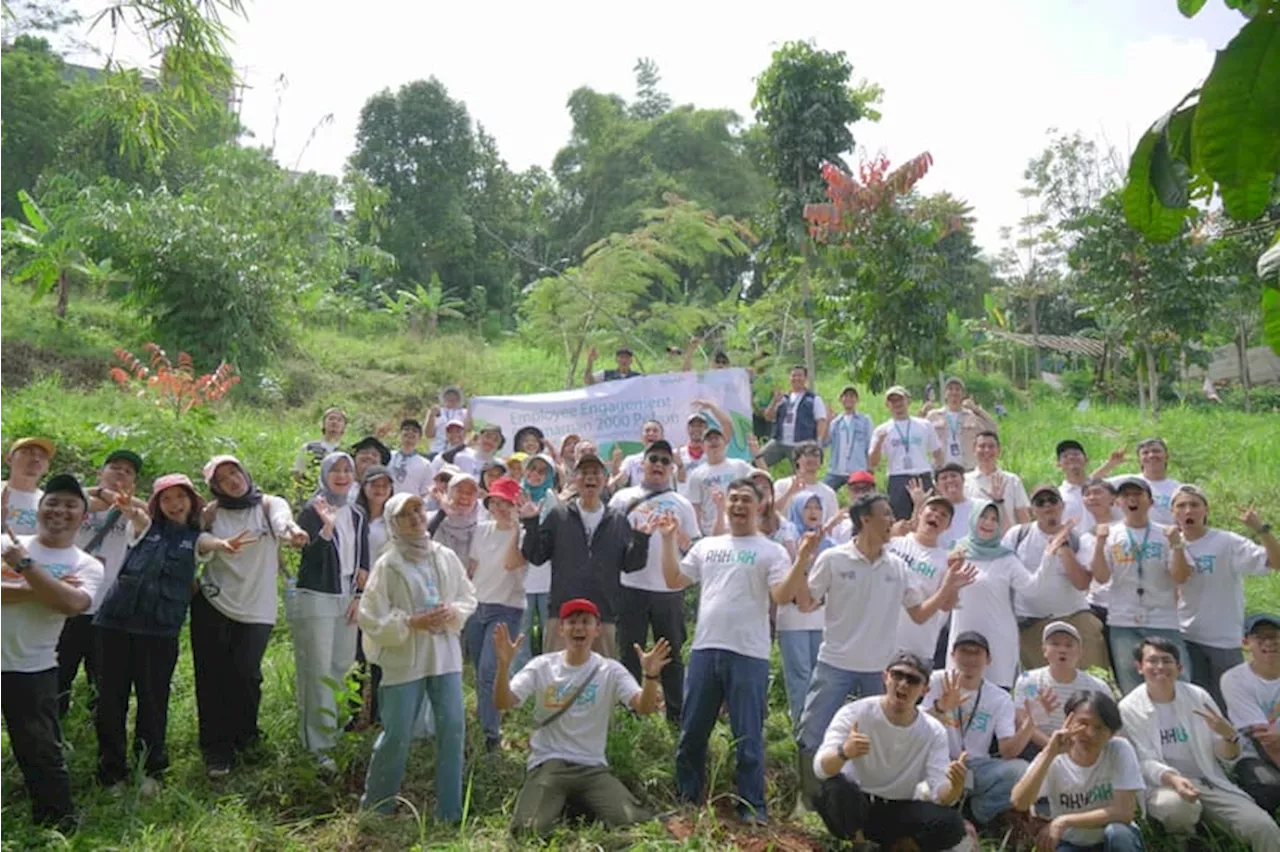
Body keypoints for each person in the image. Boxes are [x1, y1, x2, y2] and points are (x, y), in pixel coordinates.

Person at [776, 492, 976, 808]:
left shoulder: (897, 567)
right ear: (865, 519)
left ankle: (868, 803)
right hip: (834, 663)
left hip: (879, 670)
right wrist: (802, 559)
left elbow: (920, 613)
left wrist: (948, 587)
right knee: (811, 731)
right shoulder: (834, 559)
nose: (891, 521)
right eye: (885, 514)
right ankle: (810, 801)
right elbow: (805, 603)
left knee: (880, 735)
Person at [93, 474, 251, 793]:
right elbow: (137, 518)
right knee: (111, 701)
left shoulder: (195, 539)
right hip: (114, 625)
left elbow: (206, 544)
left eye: (181, 498)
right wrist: (127, 507)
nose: (174, 504)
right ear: (157, 504)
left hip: (159, 631)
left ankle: (151, 769)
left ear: (192, 502)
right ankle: (111, 772)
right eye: (166, 499)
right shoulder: (144, 528)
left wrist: (223, 544)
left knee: (153, 701)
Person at [656, 478, 793, 823]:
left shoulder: (772, 551)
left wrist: (803, 557)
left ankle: (752, 807)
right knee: (692, 731)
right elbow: (673, 579)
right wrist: (669, 539)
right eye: (733, 499)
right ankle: (688, 799)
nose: (738, 505)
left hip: (749, 654)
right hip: (705, 649)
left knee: (747, 735)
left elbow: (780, 596)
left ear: (760, 505)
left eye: (746, 499)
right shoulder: (707, 546)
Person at [494, 600, 670, 835]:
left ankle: (574, 805)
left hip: (592, 768)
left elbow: (644, 707)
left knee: (634, 824)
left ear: (597, 629)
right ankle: (562, 805)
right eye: (572, 622)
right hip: (550, 763)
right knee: (528, 832)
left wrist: (650, 675)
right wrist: (504, 665)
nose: (579, 628)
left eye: (586, 622)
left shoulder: (610, 670)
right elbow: (503, 702)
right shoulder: (541, 666)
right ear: (561, 629)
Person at [358, 493, 475, 821]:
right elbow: (370, 615)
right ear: (394, 523)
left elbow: (468, 595)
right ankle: (377, 808)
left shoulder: (445, 555)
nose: (416, 517)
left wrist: (452, 611)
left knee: (453, 727)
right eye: (406, 514)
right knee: (397, 733)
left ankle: (450, 812)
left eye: (419, 509)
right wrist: (410, 622)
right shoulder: (388, 564)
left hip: (444, 657)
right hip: (404, 660)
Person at [192, 456, 308, 777]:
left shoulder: (268, 504)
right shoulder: (212, 513)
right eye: (224, 478)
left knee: (246, 674)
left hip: (257, 607)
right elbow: (194, 544)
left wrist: (292, 533)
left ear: (246, 472)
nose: (233, 480)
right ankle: (216, 750)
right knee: (212, 677)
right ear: (215, 486)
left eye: (236, 472)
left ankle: (246, 738)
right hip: (213, 603)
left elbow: (284, 522)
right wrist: (213, 541)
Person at [0, 473, 102, 830]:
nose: (60, 510)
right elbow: (58, 597)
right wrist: (42, 590)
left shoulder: (87, 564)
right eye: (52, 503)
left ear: (84, 516)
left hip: (32, 669)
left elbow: (74, 603)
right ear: (39, 509)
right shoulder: (5, 543)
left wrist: (24, 568)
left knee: (42, 754)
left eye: (71, 505)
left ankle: (56, 827)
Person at [1119, 637, 1280, 852]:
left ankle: (1204, 821)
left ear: (1179, 667)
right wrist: (1174, 779)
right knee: (1176, 808)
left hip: (1209, 781)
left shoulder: (1198, 696)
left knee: (1263, 827)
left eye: (1166, 661)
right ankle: (1187, 841)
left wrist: (1228, 737)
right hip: (1164, 786)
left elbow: (1226, 755)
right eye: (1152, 661)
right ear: (1139, 667)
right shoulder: (1129, 708)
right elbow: (1143, 761)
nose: (1160, 667)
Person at [811, 651, 969, 850]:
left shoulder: (933, 730)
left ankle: (901, 848)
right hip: (856, 805)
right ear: (885, 677)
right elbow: (820, 769)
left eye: (912, 680)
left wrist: (955, 787)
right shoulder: (855, 713)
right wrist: (844, 752)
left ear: (924, 690)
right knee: (832, 787)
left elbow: (940, 793)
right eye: (897, 675)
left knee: (952, 824)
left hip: (898, 810)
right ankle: (859, 844)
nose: (903, 684)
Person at [519, 448, 650, 657]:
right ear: (574, 479)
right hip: (562, 615)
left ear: (605, 479)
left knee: (601, 682)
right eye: (584, 472)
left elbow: (631, 565)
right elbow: (536, 556)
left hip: (602, 615)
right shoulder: (558, 515)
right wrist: (531, 523)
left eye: (596, 472)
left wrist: (642, 539)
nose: (590, 477)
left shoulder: (617, 519)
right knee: (555, 682)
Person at [609, 440, 698, 724]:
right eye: (653, 459)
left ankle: (676, 715)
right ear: (643, 464)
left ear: (671, 468)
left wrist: (682, 539)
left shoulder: (682, 503)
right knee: (629, 653)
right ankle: (630, 712)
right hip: (630, 587)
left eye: (664, 461)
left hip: (668, 591)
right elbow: (611, 544)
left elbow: (693, 547)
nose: (658, 465)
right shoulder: (622, 499)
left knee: (671, 655)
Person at [290, 452, 369, 769]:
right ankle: (317, 745)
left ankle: (335, 734)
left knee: (341, 665)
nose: (341, 475)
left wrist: (360, 595)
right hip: (318, 596)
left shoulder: (358, 512)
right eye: (335, 470)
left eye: (347, 470)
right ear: (324, 474)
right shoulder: (312, 509)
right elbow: (309, 559)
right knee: (318, 669)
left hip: (348, 595)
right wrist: (326, 529)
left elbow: (363, 560)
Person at [1170, 485, 1278, 709]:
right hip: (1186, 635)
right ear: (1173, 513)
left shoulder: (1227, 542)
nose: (1188, 510)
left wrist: (1261, 529)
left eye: (1194, 505)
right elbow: (1178, 579)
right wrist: (1177, 546)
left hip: (1224, 638)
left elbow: (1275, 562)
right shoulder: (1169, 543)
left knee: (1230, 704)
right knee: (1197, 706)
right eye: (1181, 506)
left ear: (1205, 510)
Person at [60, 449, 149, 717]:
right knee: (59, 669)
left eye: (128, 471)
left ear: (133, 484)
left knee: (102, 675)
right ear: (101, 473)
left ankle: (95, 724)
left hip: (106, 607)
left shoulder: (133, 511)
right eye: (115, 467)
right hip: (67, 600)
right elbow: (66, 499)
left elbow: (148, 514)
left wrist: (124, 504)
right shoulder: (77, 501)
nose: (121, 472)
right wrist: (101, 494)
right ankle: (54, 722)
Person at [923, 631, 1035, 831]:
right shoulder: (936, 681)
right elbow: (916, 727)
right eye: (964, 651)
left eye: (977, 653)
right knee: (921, 787)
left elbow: (1008, 751)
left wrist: (1030, 725)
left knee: (1022, 771)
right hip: (937, 762)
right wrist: (940, 707)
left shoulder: (999, 698)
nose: (970, 658)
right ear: (952, 655)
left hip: (977, 766)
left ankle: (976, 815)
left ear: (988, 659)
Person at [1090, 476, 1190, 695]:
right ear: (1118, 502)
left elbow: (1180, 577)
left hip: (1163, 618)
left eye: (1138, 495)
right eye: (1126, 495)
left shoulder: (1166, 534)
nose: (1132, 499)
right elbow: (1101, 577)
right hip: (1123, 620)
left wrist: (1178, 545)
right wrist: (1098, 543)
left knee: (1178, 682)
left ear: (1150, 501)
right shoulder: (1110, 534)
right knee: (1131, 686)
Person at [1009, 691, 1145, 852]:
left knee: (1119, 834)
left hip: (1113, 838)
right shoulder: (1053, 756)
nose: (1090, 733)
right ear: (1068, 721)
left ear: (1112, 734)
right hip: (1071, 843)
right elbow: (1019, 802)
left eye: (1099, 727)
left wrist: (1065, 821)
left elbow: (1124, 812)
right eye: (1083, 723)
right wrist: (1048, 755)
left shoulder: (1119, 749)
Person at [1005, 484, 1109, 672]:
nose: (1047, 506)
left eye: (1052, 501)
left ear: (1061, 506)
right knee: (1042, 690)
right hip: (1031, 623)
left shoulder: (1080, 539)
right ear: (1033, 509)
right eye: (1040, 502)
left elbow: (1082, 583)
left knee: (1095, 679)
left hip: (1075, 618)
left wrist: (1063, 545)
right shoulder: (1017, 535)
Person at [949, 500, 1047, 689]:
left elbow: (1032, 588)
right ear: (973, 519)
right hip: (963, 631)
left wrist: (1048, 558)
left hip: (998, 636)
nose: (988, 523)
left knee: (997, 691)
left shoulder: (1006, 557)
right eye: (983, 517)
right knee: (959, 690)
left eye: (994, 519)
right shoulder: (957, 552)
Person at [467, 476, 527, 751]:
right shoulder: (481, 530)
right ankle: (486, 719)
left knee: (489, 670)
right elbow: (472, 567)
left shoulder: (526, 534)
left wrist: (516, 529)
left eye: (507, 503)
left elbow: (510, 563)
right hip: (477, 606)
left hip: (507, 609)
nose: (500, 508)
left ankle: (491, 734)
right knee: (479, 669)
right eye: (495, 502)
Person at [1013, 622, 1112, 758]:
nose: (1062, 650)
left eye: (1068, 645)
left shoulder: (1097, 686)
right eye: (1055, 644)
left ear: (1079, 652)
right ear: (1044, 650)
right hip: (1039, 748)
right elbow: (1021, 719)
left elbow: (1109, 726)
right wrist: (1053, 746)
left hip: (1083, 747)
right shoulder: (1029, 680)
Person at [776, 492, 832, 728]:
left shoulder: (831, 545)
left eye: (817, 508)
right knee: (799, 675)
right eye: (807, 507)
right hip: (792, 619)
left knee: (820, 675)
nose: (813, 512)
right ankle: (801, 725)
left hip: (821, 619)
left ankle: (819, 724)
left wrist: (816, 599)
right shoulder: (786, 542)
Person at [1220, 613, 1280, 814]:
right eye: (1260, 638)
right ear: (1246, 642)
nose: (1269, 643)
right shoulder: (1234, 680)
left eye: (1274, 636)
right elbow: (1265, 741)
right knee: (1268, 787)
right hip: (1254, 753)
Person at [888, 495, 956, 669]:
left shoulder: (946, 559)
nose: (936, 516)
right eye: (932, 509)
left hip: (917, 647)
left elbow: (947, 606)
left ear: (948, 526)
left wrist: (953, 581)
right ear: (920, 513)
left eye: (943, 515)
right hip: (880, 641)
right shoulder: (892, 544)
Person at [352, 464, 393, 729]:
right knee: (355, 658)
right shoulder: (353, 516)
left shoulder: (393, 520)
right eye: (374, 485)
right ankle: (352, 715)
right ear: (364, 488)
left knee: (379, 658)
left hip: (383, 595)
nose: (379, 490)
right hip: (354, 594)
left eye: (384, 486)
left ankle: (379, 716)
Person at [869, 386, 943, 520]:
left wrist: (935, 475)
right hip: (898, 477)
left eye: (900, 399)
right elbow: (873, 462)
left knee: (929, 517)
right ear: (887, 405)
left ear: (908, 401)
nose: (897, 404)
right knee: (900, 520)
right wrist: (879, 442)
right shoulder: (882, 429)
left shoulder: (924, 425)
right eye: (893, 401)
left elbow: (937, 452)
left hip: (922, 476)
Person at [513, 455, 558, 672]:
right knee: (522, 626)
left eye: (542, 471)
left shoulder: (551, 498)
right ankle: (520, 673)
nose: (536, 475)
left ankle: (549, 672)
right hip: (521, 573)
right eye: (532, 469)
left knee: (549, 627)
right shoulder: (516, 494)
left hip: (547, 573)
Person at [683, 420, 752, 536]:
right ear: (703, 446)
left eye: (717, 438)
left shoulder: (740, 465)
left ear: (725, 443)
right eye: (709, 439)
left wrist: (757, 455)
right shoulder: (696, 474)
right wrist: (698, 535)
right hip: (712, 532)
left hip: (740, 528)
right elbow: (695, 507)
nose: (713, 441)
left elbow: (764, 480)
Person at [920, 377, 998, 470]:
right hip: (942, 468)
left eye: (957, 389)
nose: (954, 392)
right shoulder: (934, 415)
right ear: (945, 393)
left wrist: (976, 409)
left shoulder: (972, 415)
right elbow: (916, 433)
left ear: (963, 394)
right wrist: (922, 411)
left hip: (968, 468)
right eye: (950, 389)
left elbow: (993, 428)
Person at [759, 364, 829, 468]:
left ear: (805, 378)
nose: (796, 378)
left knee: (802, 473)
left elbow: (821, 421)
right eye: (793, 375)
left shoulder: (813, 399)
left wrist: (818, 443)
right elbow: (768, 417)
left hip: (801, 444)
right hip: (780, 441)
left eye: (799, 375)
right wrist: (774, 401)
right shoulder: (784, 398)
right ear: (789, 378)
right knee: (757, 461)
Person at [964, 431, 1031, 529]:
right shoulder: (965, 480)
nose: (986, 450)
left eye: (991, 446)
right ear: (974, 450)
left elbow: (1023, 517)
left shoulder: (1012, 480)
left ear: (999, 451)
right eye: (982, 446)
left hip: (1006, 540)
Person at [1057, 441, 1122, 529]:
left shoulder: (1108, 486)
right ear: (1058, 464)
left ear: (1086, 459)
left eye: (1076, 454)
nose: (1071, 457)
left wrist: (1111, 464)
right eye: (1065, 456)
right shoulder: (1058, 496)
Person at [823, 386, 874, 492]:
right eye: (845, 396)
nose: (848, 399)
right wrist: (827, 422)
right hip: (836, 470)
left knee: (862, 500)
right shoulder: (835, 422)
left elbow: (870, 446)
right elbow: (825, 442)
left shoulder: (865, 420)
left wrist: (869, 467)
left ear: (857, 400)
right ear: (841, 399)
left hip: (857, 469)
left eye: (852, 396)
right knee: (824, 494)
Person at [1, 436, 55, 535]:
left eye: (42, 456)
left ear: (47, 467)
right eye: (28, 453)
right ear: (8, 459)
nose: (36, 459)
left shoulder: (48, 502)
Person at [772, 441, 839, 521]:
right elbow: (770, 512)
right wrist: (789, 493)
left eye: (816, 456)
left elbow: (833, 522)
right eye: (807, 455)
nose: (812, 459)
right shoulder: (782, 484)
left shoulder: (828, 493)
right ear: (797, 459)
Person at [292, 407, 348, 477]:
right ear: (323, 423)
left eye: (339, 420)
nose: (334, 422)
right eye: (331, 419)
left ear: (344, 426)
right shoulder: (308, 447)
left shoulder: (347, 450)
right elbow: (298, 473)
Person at [934, 461, 975, 550]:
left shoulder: (978, 506)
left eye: (953, 476)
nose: (949, 480)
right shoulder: (932, 511)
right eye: (944, 478)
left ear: (963, 479)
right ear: (937, 485)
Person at [389, 419, 432, 498]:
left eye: (415, 431)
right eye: (406, 429)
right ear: (399, 434)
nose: (410, 432)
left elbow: (425, 492)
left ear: (419, 438)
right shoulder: (388, 456)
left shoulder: (425, 464)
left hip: (410, 505)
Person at [425, 387, 469, 457]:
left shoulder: (465, 413)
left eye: (455, 399)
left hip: (457, 452)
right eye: (448, 399)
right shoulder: (437, 411)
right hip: (437, 450)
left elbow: (468, 430)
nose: (451, 401)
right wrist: (431, 416)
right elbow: (429, 435)